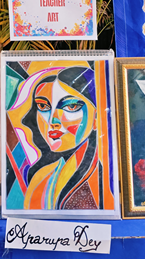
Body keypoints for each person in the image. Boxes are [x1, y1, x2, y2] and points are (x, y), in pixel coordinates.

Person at [8, 66, 102, 210]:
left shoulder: (101, 180)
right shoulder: (43, 174)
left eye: (71, 107)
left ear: (96, 117)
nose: (53, 121)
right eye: (43, 106)